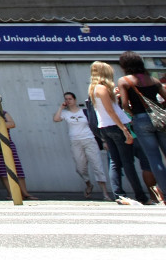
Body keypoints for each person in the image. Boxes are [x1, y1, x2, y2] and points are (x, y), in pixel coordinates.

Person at [90, 60, 148, 205]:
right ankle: (141, 196)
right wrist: (124, 129)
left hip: (105, 127)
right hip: (115, 126)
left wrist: (115, 96)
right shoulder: (102, 88)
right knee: (127, 162)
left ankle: (119, 194)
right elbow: (111, 111)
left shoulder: (94, 89)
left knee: (115, 162)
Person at [117, 50, 166, 195]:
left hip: (141, 119)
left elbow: (125, 104)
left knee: (154, 158)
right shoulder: (153, 80)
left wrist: (132, 114)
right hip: (160, 120)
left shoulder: (124, 81)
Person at [0, 92, 36, 200]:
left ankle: (25, 193)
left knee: (16, 167)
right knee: (2, 169)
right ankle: (12, 193)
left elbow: (12, 124)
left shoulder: (4, 112)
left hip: (7, 142)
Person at [54, 91, 107, 199]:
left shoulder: (84, 111)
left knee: (97, 165)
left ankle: (105, 193)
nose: (68, 101)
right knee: (80, 167)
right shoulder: (65, 113)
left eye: (70, 99)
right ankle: (88, 184)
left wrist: (103, 139)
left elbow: (95, 124)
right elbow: (56, 119)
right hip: (76, 142)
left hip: (89, 139)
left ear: (75, 100)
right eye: (66, 99)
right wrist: (61, 108)